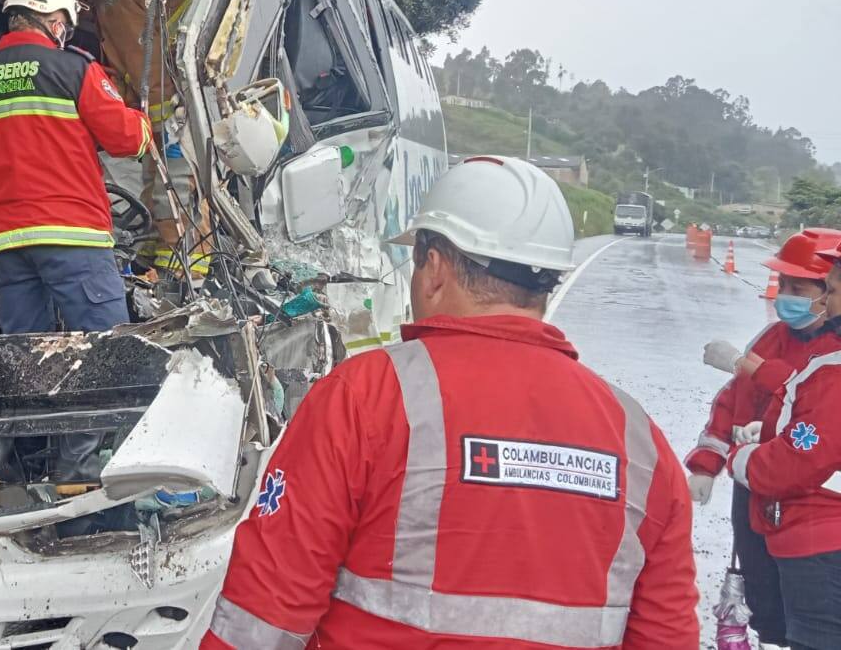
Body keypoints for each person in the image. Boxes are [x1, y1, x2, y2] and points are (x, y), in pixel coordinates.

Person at [202, 155, 699, 649]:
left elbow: (262, 617)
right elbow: (668, 636)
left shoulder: (364, 399)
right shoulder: (642, 444)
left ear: (434, 267)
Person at [0, 0, 151, 485]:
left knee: (20, 348)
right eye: (66, 23)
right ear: (54, 19)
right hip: (73, 235)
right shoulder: (74, 69)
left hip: (7, 244)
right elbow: (125, 140)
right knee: (100, 347)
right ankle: (75, 467)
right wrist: (144, 123)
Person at [691, 229, 841, 648]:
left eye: (802, 288)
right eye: (784, 285)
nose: (786, 296)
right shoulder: (773, 339)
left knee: (812, 621)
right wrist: (709, 461)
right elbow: (733, 401)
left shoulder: (830, 354)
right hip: (758, 493)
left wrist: (750, 367)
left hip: (809, 508)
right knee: (765, 600)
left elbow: (805, 404)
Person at [93, 0, 210, 278]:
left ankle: (186, 270)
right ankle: (154, 255)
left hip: (173, 110)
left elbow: (148, 69)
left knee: (172, 188)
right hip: (183, 100)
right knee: (156, 183)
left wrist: (157, 125)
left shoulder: (113, 1)